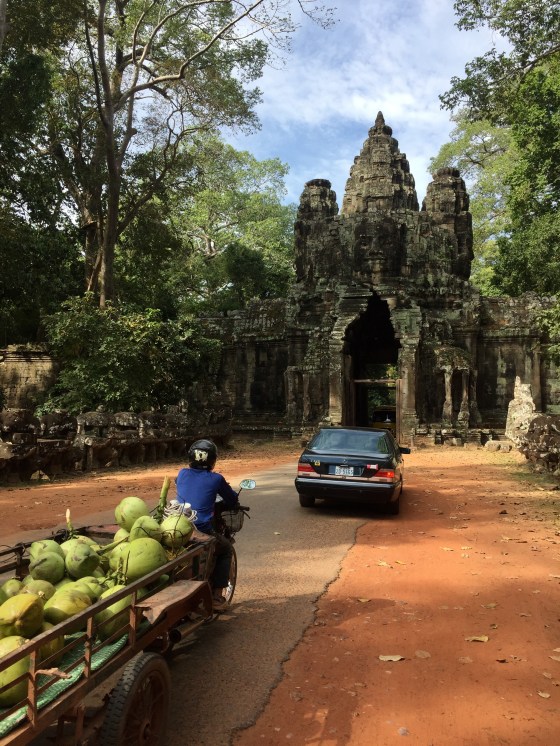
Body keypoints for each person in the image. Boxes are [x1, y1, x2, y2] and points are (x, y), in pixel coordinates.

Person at [175, 438, 239, 612]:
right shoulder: (216, 479)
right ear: (212, 460)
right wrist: (233, 502)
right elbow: (232, 499)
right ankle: (217, 597)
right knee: (225, 549)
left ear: (191, 458)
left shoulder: (182, 473)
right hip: (201, 530)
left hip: (179, 527)